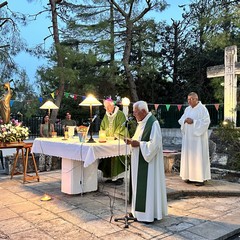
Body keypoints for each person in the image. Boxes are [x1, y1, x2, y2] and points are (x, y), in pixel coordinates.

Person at [126, 101, 168, 223]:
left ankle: (148, 215)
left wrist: (138, 144)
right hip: (138, 161)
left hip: (148, 165)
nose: (134, 115)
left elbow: (154, 145)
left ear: (143, 111)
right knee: (138, 187)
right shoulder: (142, 123)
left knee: (148, 187)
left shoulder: (153, 123)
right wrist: (131, 142)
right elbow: (138, 139)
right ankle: (137, 212)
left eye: (135, 112)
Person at [178, 92, 211, 186]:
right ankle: (189, 176)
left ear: (196, 99)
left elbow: (206, 122)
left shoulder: (203, 109)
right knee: (189, 157)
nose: (189, 101)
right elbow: (181, 120)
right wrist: (184, 121)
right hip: (188, 139)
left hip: (198, 140)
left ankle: (200, 179)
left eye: (191, 99)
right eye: (188, 99)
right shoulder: (187, 109)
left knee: (198, 157)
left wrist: (193, 122)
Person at [98, 98, 128, 185]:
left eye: (107, 107)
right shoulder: (106, 115)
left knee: (117, 158)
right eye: (105, 107)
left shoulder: (120, 114)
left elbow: (122, 127)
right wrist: (103, 134)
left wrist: (115, 135)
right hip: (108, 141)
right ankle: (110, 177)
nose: (106, 109)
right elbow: (102, 126)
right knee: (108, 157)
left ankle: (119, 177)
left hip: (118, 141)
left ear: (111, 105)